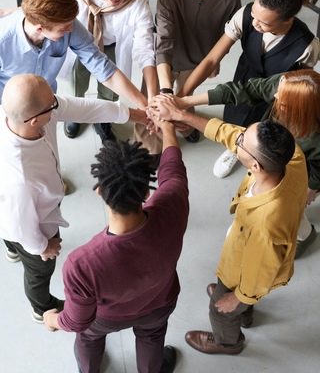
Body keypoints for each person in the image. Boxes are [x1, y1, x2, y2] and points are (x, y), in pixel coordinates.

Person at [148, 94, 308, 355]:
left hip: (246, 269)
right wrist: (183, 116)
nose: (237, 139)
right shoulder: (291, 156)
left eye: (242, 141)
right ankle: (245, 313)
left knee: (219, 309)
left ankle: (228, 341)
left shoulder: (265, 226)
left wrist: (237, 297)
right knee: (235, 297)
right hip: (251, 254)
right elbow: (230, 134)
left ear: (255, 165)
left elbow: (259, 275)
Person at [43, 115, 189, 373]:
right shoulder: (173, 205)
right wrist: (167, 128)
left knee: (89, 337)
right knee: (152, 337)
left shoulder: (81, 263)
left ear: (100, 191)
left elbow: (78, 320)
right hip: (160, 303)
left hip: (105, 319)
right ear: (146, 192)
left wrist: (53, 319)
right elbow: (173, 169)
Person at [0, 74, 147, 323]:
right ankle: (41, 307)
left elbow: (86, 108)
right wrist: (42, 247)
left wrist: (139, 116)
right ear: (35, 120)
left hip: (21, 206)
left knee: (16, 238)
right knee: (39, 270)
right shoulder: (20, 179)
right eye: (53, 104)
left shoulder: (31, 115)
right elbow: (19, 225)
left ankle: (11, 249)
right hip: (30, 225)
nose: (58, 104)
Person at [177, 0, 319, 177]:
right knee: (234, 114)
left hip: (275, 95)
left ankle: (252, 154)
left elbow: (297, 84)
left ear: (287, 20)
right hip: (244, 77)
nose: (254, 23)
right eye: (254, 16)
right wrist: (181, 97)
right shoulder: (245, 15)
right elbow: (211, 59)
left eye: (263, 23)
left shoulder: (307, 46)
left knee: (262, 131)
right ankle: (234, 148)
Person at [172, 68, 320, 257]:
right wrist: (184, 103)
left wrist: (310, 189)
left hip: (299, 175)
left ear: (300, 111)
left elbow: (317, 166)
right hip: (273, 159)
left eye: (281, 100)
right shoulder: (287, 84)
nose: (274, 94)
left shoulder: (313, 137)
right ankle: (304, 232)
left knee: (290, 206)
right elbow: (246, 91)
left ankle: (304, 236)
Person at [60, 0, 161, 158]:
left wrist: (151, 99)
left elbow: (144, 47)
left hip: (112, 46)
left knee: (110, 91)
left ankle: (102, 119)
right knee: (76, 82)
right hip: (79, 45)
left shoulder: (137, 2)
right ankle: (75, 113)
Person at [0, 0, 147, 110]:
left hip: (47, 103)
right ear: (40, 29)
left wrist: (145, 106)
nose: (71, 30)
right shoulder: (3, 41)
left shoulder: (67, 23)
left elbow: (101, 66)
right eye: (64, 28)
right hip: (7, 108)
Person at [154, 0, 241, 143]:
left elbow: (226, 38)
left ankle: (185, 127)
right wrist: (166, 91)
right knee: (156, 102)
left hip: (200, 61)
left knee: (185, 100)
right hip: (166, 59)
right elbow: (163, 41)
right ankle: (151, 145)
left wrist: (215, 62)